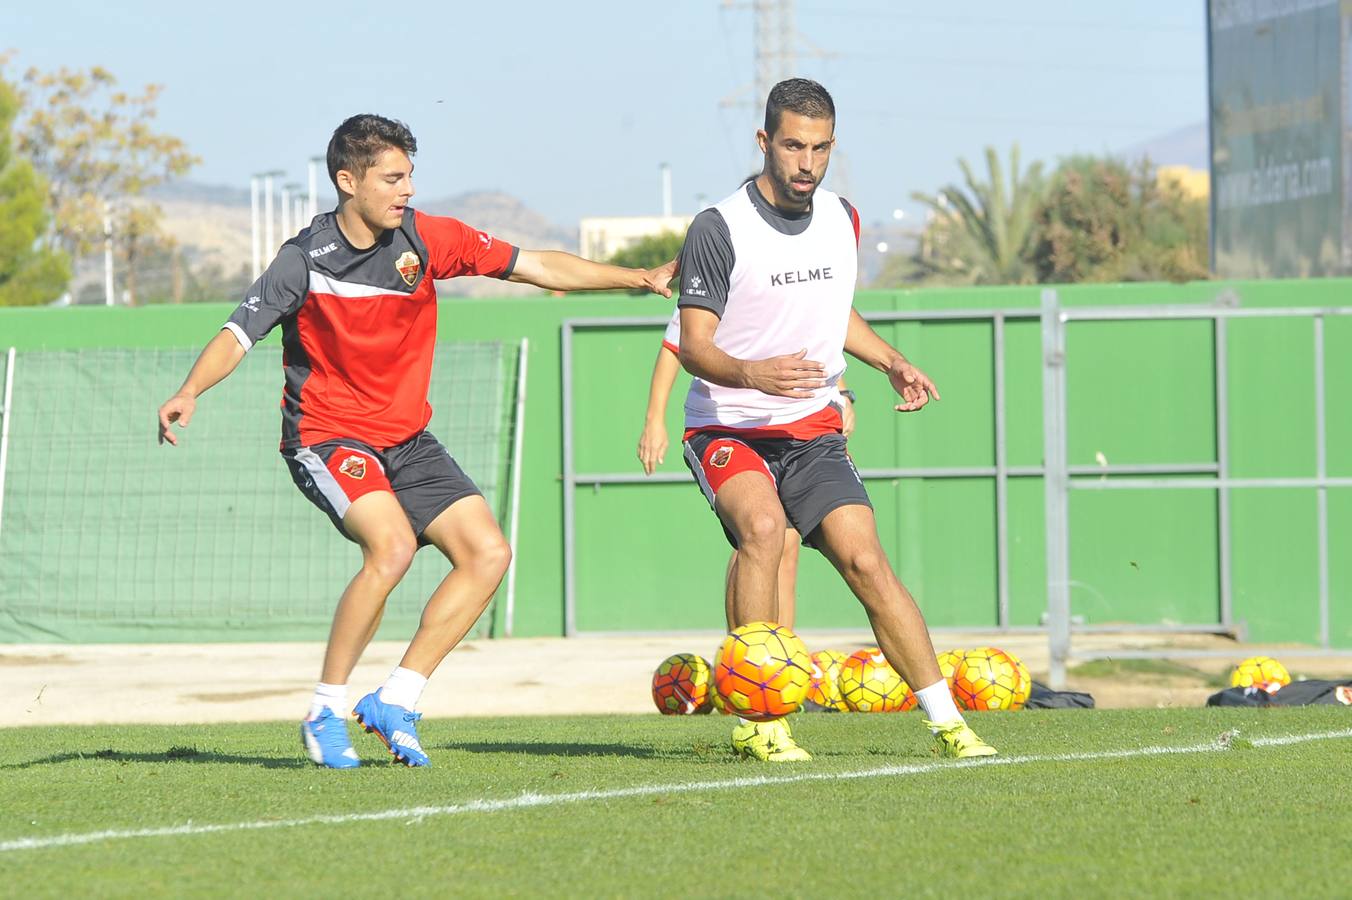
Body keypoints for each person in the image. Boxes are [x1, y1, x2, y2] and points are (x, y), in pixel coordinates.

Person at [157, 114, 676, 769]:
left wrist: (638, 278)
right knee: (393, 546)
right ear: (348, 181)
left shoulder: (428, 237)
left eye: (410, 176)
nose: (406, 190)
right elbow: (238, 334)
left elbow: (536, 264)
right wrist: (189, 391)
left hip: (406, 438)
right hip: (328, 435)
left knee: (488, 553)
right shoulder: (303, 260)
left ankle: (397, 698)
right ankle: (325, 710)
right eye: (391, 177)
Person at [674, 79, 996, 762]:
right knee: (763, 531)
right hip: (728, 425)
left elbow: (833, 314)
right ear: (765, 141)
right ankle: (758, 723)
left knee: (866, 561)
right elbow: (695, 344)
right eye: (793, 145)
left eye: (820, 148)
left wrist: (891, 362)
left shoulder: (842, 219)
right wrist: (754, 373)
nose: (806, 163)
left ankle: (949, 723)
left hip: (811, 428)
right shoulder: (718, 227)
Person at [636, 305, 856, 628]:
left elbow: (819, 339)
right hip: (735, 426)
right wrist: (654, 419)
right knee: (756, 534)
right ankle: (743, 654)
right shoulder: (725, 269)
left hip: (798, 428)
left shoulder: (803, 272)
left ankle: (782, 656)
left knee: (788, 545)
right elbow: (675, 346)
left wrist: (842, 394)